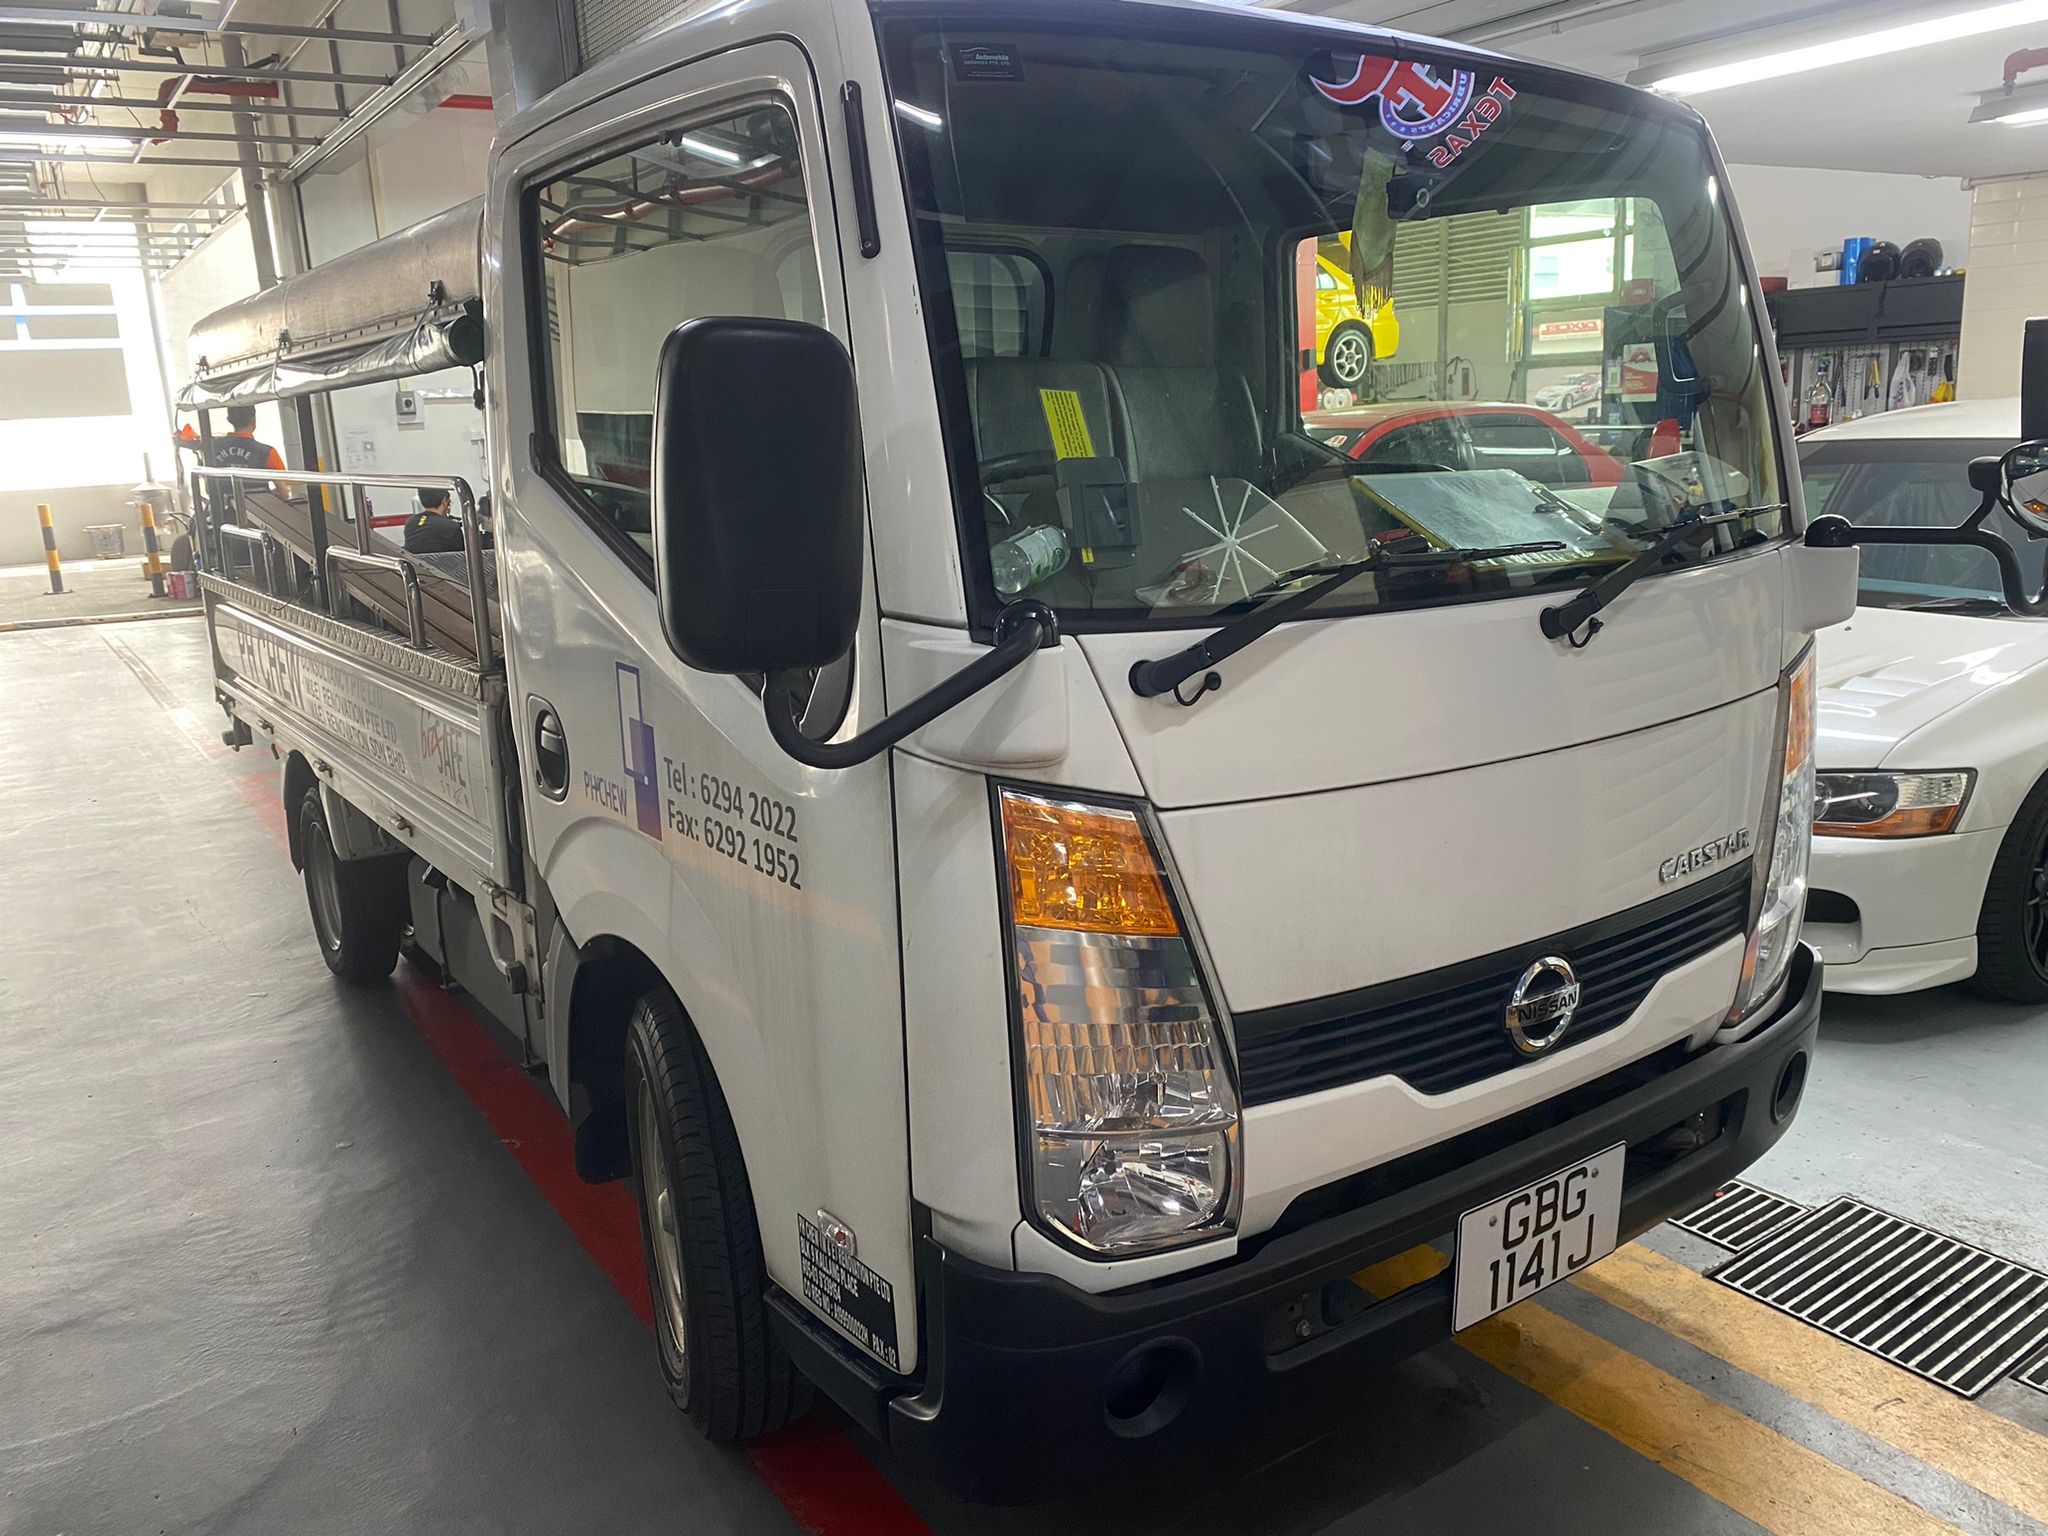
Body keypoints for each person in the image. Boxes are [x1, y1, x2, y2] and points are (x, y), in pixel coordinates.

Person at [179, 407, 292, 495]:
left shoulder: (211, 447)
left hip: (222, 512)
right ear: (253, 421)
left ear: (229, 420)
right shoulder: (267, 452)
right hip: (259, 513)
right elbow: (284, 493)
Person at [403, 486, 466, 554]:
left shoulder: (411, 522)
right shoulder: (451, 527)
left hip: (415, 561)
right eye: (449, 502)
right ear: (444, 501)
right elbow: (463, 555)